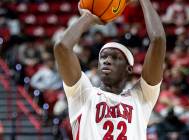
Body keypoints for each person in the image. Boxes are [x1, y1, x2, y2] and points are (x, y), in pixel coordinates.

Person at [54, 0, 166, 139]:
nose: (107, 61)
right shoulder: (84, 94)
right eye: (103, 57)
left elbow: (158, 39)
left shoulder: (141, 97)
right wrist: (88, 17)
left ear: (129, 69)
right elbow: (62, 47)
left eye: (115, 57)